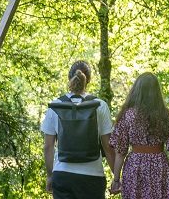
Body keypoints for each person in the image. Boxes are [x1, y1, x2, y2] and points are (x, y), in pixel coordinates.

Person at [41, 60, 115, 198]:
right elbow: (108, 146)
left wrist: (50, 176)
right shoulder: (100, 105)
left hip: (63, 176)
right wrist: (117, 177)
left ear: (69, 78)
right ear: (89, 80)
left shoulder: (55, 106)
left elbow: (48, 147)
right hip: (92, 177)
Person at [109, 72, 169, 198]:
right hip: (160, 167)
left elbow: (120, 151)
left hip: (134, 167)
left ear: (136, 91)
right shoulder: (166, 115)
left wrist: (116, 180)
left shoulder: (127, 115)